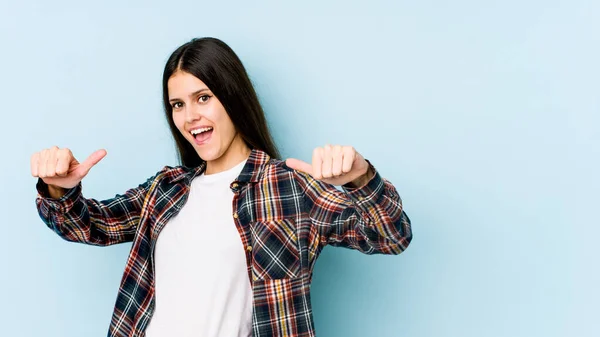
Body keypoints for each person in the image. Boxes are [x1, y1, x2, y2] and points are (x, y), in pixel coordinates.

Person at [31, 37, 413, 337]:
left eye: (203, 98)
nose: (190, 116)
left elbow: (391, 235)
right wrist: (58, 190)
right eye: (177, 105)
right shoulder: (167, 189)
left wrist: (361, 178)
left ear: (231, 96)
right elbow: (89, 226)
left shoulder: (288, 189)